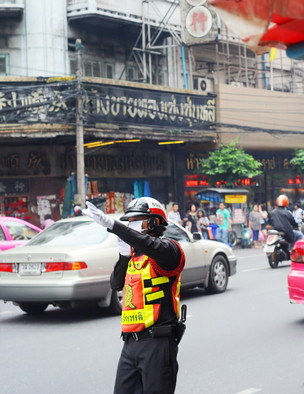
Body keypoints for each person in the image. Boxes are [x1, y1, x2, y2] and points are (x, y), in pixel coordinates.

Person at [83, 197, 186, 394]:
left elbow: (150, 245)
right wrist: (123, 256)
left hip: (157, 343)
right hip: (130, 344)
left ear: (155, 222)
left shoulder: (169, 250)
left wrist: (113, 225)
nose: (132, 225)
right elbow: (116, 284)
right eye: (129, 222)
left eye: (137, 220)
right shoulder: (134, 255)